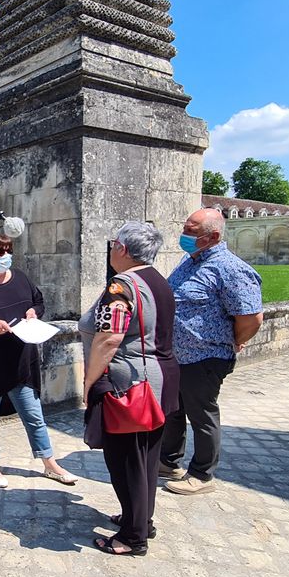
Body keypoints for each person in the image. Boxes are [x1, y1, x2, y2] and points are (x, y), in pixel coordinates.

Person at [81, 221, 179, 556]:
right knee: (146, 459)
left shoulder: (121, 286)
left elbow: (109, 338)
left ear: (122, 248)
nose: (110, 250)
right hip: (161, 379)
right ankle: (140, 519)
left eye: (112, 244)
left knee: (127, 461)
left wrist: (89, 381)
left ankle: (132, 537)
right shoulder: (158, 281)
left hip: (132, 385)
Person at [0, 232, 77, 489]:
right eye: (1, 253)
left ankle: (49, 463)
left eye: (9, 251)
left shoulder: (20, 278)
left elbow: (38, 301)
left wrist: (34, 312)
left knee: (34, 415)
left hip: (20, 363)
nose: (7, 257)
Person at [161, 208, 263, 496]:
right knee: (174, 411)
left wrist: (234, 340)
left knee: (201, 414)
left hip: (205, 357)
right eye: (185, 228)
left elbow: (251, 317)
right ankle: (168, 462)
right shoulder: (189, 261)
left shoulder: (231, 269)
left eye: (192, 232)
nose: (184, 235)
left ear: (213, 236)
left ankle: (202, 474)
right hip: (178, 355)